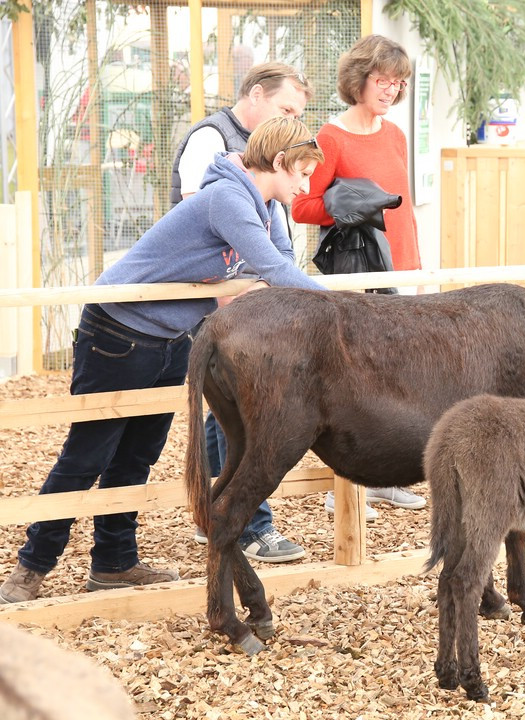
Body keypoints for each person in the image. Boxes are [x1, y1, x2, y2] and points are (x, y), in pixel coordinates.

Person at [0, 117, 326, 604]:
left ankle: (113, 562)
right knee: (87, 455)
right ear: (278, 162)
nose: (305, 185)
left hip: (173, 336)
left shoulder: (267, 206)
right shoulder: (227, 198)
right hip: (118, 331)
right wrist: (355, 307)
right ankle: (30, 568)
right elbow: (276, 269)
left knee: (138, 454)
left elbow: (280, 263)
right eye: (301, 173)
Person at [172, 61, 314, 562]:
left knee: (226, 416)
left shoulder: (262, 175)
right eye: (287, 110)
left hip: (246, 307)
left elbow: (273, 246)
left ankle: (221, 517)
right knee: (238, 417)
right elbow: (217, 230)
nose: (293, 118)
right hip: (212, 309)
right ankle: (246, 523)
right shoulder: (213, 146)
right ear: (256, 96)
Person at [292, 34, 426, 520]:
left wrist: (418, 266)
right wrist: (345, 207)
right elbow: (302, 204)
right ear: (359, 80)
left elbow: (403, 209)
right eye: (382, 81)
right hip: (359, 274)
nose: (390, 91)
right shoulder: (329, 137)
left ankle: (386, 478)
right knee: (358, 380)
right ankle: (344, 486)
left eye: (398, 83)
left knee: (400, 378)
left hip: (404, 268)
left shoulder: (394, 135)